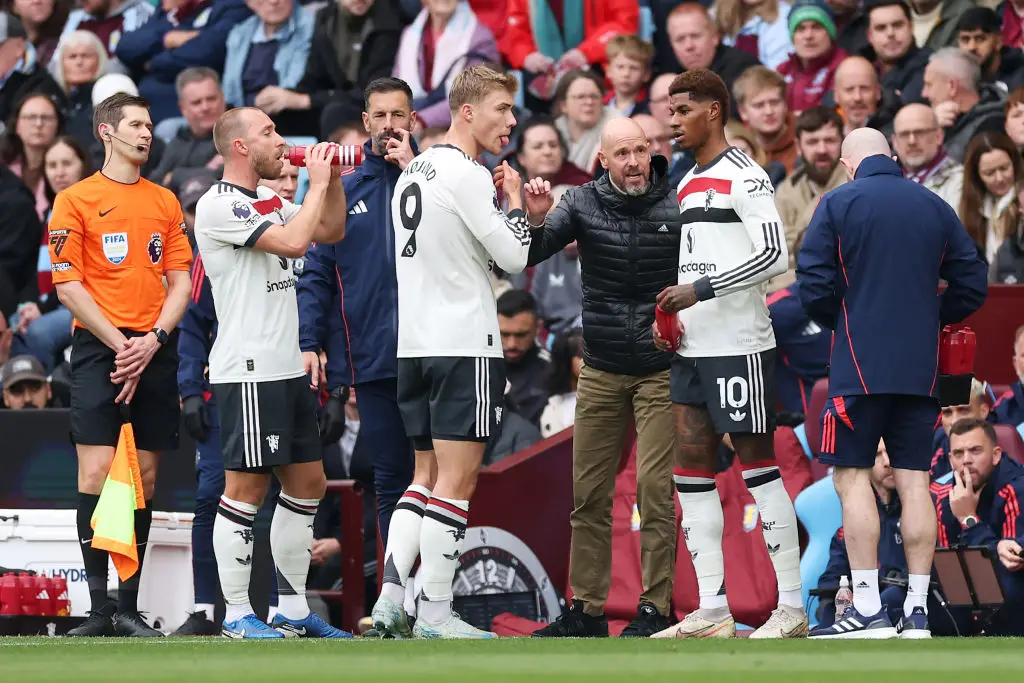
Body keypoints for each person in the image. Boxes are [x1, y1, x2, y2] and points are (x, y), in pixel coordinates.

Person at [798, 127, 988, 638]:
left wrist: (844, 316)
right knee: (915, 481)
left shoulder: (837, 203)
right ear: (895, 157)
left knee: (853, 477)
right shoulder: (933, 206)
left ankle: (866, 609)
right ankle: (918, 612)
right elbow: (973, 280)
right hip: (921, 369)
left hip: (858, 366)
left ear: (846, 162)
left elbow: (812, 283)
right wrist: (931, 315)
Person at [374, 64, 531, 640]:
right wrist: (514, 201)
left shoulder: (412, 170)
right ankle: (436, 614)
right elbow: (514, 258)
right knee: (456, 485)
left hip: (414, 346)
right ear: (466, 111)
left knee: (423, 478)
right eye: (501, 110)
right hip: (465, 345)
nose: (511, 122)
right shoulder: (466, 174)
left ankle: (392, 600)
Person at [652, 69, 807, 640]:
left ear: (713, 111)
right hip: (691, 348)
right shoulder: (688, 180)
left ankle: (790, 607)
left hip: (739, 346)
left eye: (683, 109)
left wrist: (700, 291)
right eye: (670, 110)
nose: (673, 120)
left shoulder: (745, 174)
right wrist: (673, 315)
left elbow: (774, 254)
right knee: (690, 473)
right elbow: (697, 260)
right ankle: (712, 609)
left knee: (760, 471)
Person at [193, 108, 349, 639]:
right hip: (250, 367)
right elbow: (293, 243)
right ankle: (237, 614)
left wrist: (329, 183)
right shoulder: (217, 204)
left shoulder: (273, 200)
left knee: (309, 483)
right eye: (269, 133)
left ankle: (292, 608)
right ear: (239, 147)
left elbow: (330, 228)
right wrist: (315, 182)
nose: (281, 141)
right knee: (244, 491)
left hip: (286, 367)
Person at [523, 116, 681, 638]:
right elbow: (530, 252)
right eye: (623, 154)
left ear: (651, 149)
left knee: (655, 493)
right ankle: (588, 609)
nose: (634, 162)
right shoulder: (581, 201)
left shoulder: (678, 195)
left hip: (662, 367)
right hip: (602, 366)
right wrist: (535, 219)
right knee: (588, 494)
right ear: (602, 161)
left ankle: (657, 607)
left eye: (641, 150)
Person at [50, 92, 193, 637]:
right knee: (96, 470)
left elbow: (181, 280)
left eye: (150, 124)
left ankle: (129, 607)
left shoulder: (165, 201)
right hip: (99, 348)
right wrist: (121, 344)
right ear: (107, 132)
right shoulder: (75, 200)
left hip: (153, 348)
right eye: (136, 124)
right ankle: (98, 607)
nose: (147, 133)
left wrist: (153, 339)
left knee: (145, 478)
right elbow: (68, 286)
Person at [297, 77, 418, 568]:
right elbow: (317, 275)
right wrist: (309, 340)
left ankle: (435, 597)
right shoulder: (343, 190)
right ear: (366, 122)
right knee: (390, 477)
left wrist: (417, 173)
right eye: (381, 116)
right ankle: (396, 597)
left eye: (399, 115)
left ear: (413, 120)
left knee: (441, 480)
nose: (390, 126)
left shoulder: (438, 179)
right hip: (373, 358)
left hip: (433, 352)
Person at [933, 417, 1024, 636]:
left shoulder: (1016, 488)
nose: (966, 460)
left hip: (1012, 589)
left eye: (975, 451)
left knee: (1005, 587)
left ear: (996, 455)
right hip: (966, 593)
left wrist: (968, 520)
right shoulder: (942, 495)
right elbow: (947, 566)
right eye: (958, 454)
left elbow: (1010, 563)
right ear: (950, 459)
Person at [816, 441, 907, 628]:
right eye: (877, 455)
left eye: (892, 452)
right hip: (862, 605)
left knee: (892, 596)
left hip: (908, 603)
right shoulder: (849, 528)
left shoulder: (925, 512)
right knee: (831, 608)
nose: (888, 462)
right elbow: (831, 580)